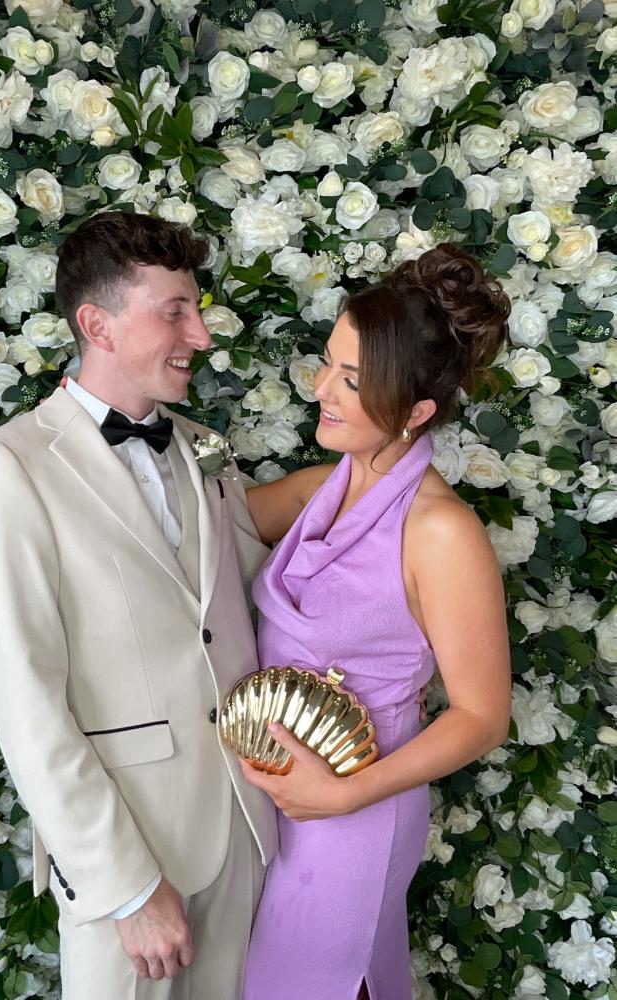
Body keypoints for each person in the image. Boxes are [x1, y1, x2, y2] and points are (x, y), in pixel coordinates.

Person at [0, 211, 277, 1000]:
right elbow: (25, 700)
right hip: (131, 858)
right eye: (175, 311)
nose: (200, 334)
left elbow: (251, 601)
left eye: (196, 309)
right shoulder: (6, 466)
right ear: (96, 325)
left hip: (246, 827)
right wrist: (126, 889)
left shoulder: (206, 446)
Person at [240, 244, 512, 1000]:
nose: (321, 389)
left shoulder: (440, 533)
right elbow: (184, 536)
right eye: (328, 363)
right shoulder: (316, 490)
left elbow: (483, 717)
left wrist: (346, 797)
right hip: (275, 798)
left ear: (417, 413)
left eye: (353, 381)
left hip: (356, 806)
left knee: (321, 984)